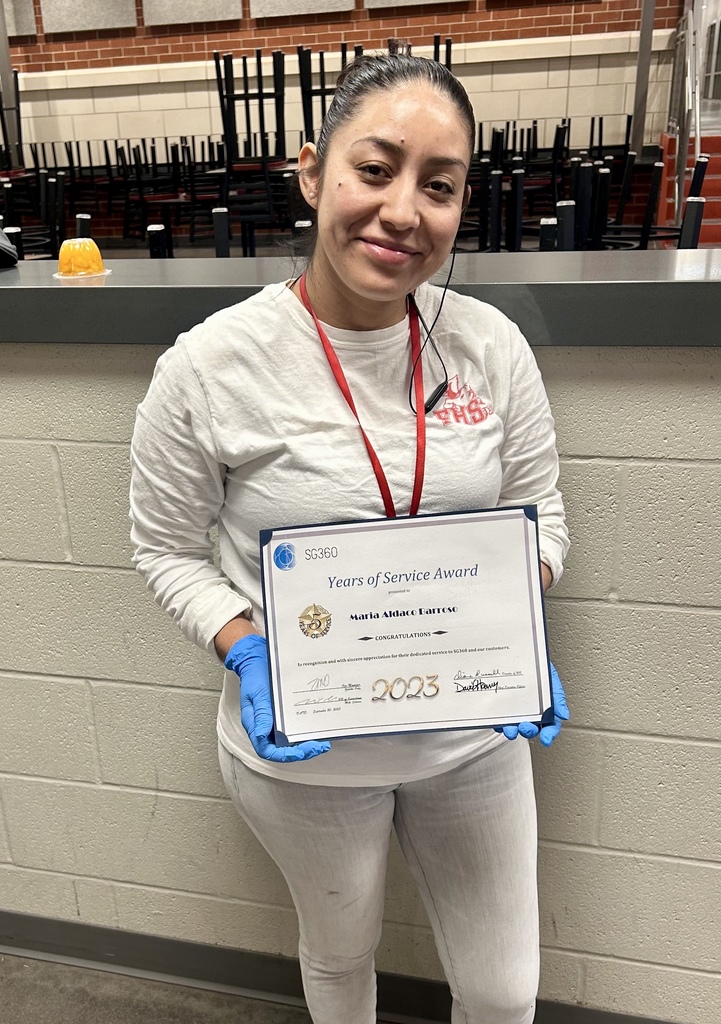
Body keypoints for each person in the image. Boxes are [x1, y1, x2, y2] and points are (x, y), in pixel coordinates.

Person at [130, 53, 570, 1024]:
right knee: (340, 958)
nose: (404, 211)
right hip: (309, 747)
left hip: (470, 737)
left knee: (502, 993)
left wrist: (513, 624)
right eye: (375, 170)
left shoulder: (491, 348)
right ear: (312, 171)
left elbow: (542, 511)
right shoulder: (211, 366)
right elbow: (163, 546)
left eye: (439, 185)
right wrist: (247, 649)